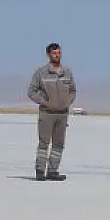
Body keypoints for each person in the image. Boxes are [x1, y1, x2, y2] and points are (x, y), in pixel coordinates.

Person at [26, 43, 77, 181]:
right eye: (54, 53)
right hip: (46, 114)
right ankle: (40, 170)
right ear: (48, 55)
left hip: (62, 114)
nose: (57, 55)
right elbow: (31, 92)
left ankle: (53, 171)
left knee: (58, 144)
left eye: (59, 53)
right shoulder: (41, 73)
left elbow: (73, 90)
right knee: (44, 143)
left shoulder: (67, 72)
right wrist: (43, 101)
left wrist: (67, 102)